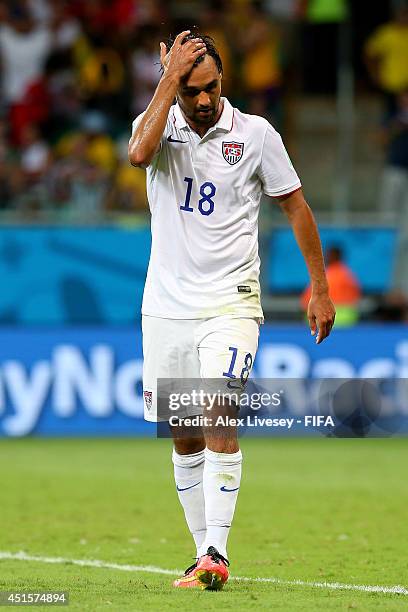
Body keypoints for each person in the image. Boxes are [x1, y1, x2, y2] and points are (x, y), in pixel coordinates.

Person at [128, 31, 335, 591]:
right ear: (174, 87)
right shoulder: (157, 127)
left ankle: (217, 550)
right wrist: (167, 82)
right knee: (184, 433)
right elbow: (138, 155)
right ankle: (202, 556)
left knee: (219, 413)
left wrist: (319, 287)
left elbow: (294, 205)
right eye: (191, 90)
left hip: (231, 302)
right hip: (167, 307)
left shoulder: (255, 135)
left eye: (212, 87)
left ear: (225, 81)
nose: (203, 100)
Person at [301, 245, 361, 326]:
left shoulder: (323, 276)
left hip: (326, 318)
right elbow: (356, 296)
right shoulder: (349, 275)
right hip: (348, 317)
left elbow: (306, 301)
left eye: (326, 255)